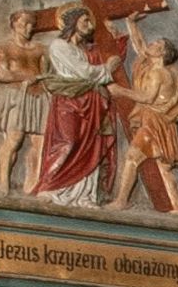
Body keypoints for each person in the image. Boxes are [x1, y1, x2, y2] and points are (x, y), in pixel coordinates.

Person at [29, 14, 119, 209]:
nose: (89, 25)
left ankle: (84, 195)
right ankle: (50, 187)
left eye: (90, 21)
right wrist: (107, 68)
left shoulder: (85, 49)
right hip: (69, 98)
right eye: (85, 20)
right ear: (72, 22)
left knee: (91, 145)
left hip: (91, 101)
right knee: (67, 141)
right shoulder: (59, 46)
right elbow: (84, 72)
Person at [115, 15, 178, 218]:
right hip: (163, 124)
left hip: (154, 123)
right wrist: (131, 23)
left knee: (132, 157)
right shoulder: (162, 69)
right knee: (164, 168)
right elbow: (140, 47)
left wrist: (120, 91)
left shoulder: (158, 73)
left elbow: (147, 97)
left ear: (162, 53)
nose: (152, 44)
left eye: (157, 44)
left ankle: (121, 200)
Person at [0, 1, 49, 202]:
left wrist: (40, 80)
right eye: (24, 24)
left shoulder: (40, 49)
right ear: (14, 24)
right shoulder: (4, 48)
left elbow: (46, 74)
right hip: (17, 95)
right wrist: (27, 76)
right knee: (14, 138)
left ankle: (33, 184)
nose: (28, 28)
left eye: (31, 25)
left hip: (38, 96)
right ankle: (3, 182)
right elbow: (4, 75)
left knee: (40, 142)